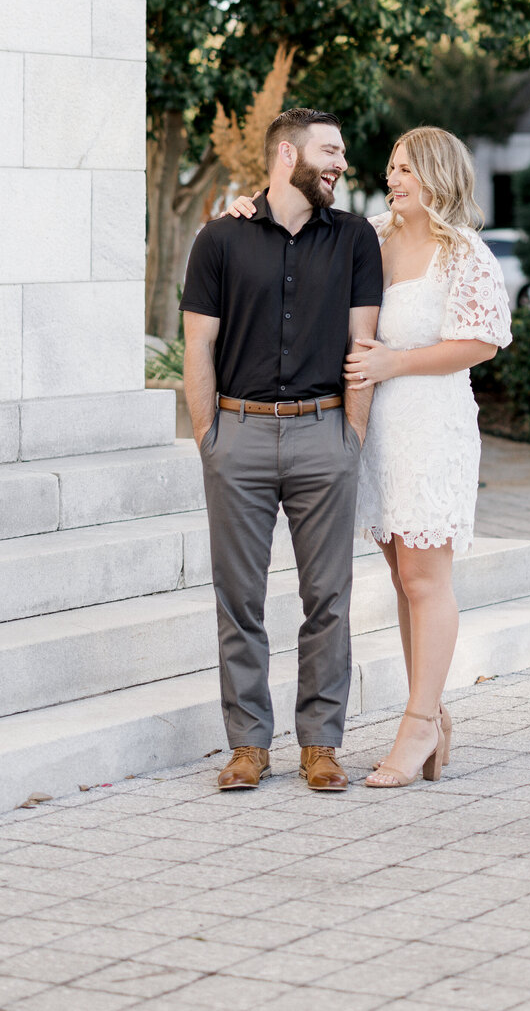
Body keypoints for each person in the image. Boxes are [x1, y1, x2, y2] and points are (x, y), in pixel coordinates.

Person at [226, 124, 512, 789]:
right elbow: (292, 216)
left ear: (438, 174)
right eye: (390, 167)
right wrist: (247, 209)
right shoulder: (371, 236)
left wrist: (396, 361)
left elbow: (481, 343)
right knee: (400, 574)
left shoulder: (462, 251)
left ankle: (417, 726)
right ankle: (433, 718)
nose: (393, 177)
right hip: (375, 431)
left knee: (424, 578)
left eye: (406, 168)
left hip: (431, 424)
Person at [181, 108, 383, 793]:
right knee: (238, 597)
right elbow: (197, 345)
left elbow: (364, 343)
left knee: (328, 595)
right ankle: (246, 744)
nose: (341, 163)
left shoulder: (355, 238)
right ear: (285, 154)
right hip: (237, 436)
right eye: (331, 150)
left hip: (324, 433)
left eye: (344, 152)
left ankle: (322, 743)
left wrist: (350, 435)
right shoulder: (220, 237)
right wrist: (211, 437)